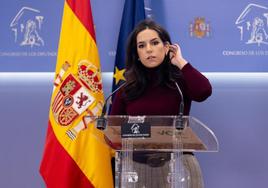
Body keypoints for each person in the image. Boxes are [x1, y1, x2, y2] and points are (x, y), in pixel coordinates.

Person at [110, 19, 212, 188]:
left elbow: (203, 91)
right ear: (137, 54)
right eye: (141, 46)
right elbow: (113, 129)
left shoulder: (180, 79)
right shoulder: (128, 88)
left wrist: (180, 61)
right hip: (136, 170)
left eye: (155, 43)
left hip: (179, 167)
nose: (149, 49)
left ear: (166, 47)